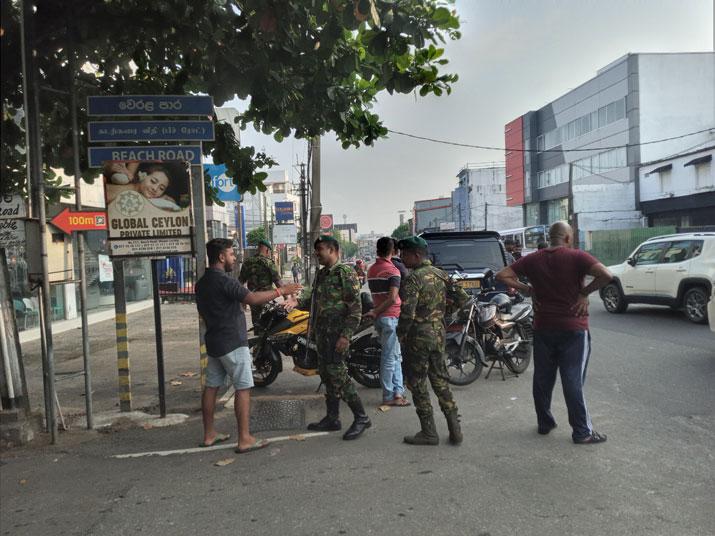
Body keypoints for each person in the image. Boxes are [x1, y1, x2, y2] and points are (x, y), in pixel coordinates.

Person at [495, 221, 613, 445]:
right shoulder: (577, 257)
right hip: (573, 328)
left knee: (542, 377)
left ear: (550, 238)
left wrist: (528, 289)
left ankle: (545, 422)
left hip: (543, 327)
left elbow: (502, 275)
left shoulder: (533, 259)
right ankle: (582, 431)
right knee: (572, 380)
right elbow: (606, 275)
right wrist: (584, 293)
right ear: (567, 238)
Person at [196, 238, 301, 452]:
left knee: (211, 387)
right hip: (232, 342)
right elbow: (252, 298)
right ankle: (244, 439)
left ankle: (209, 434)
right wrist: (282, 291)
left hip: (214, 341)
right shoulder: (225, 281)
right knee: (243, 387)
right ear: (221, 257)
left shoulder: (202, 283)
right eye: (231, 254)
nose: (234, 258)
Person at [289, 236, 371, 440]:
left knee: (339, 376)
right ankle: (332, 418)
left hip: (337, 335)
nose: (317, 253)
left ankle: (362, 417)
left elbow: (355, 309)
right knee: (326, 375)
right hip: (322, 335)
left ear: (333, 250)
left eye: (320, 249)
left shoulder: (345, 273)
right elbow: (312, 300)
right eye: (316, 249)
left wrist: (345, 336)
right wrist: (295, 302)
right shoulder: (322, 274)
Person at [397, 235, 467, 446]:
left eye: (404, 254)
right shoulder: (441, 274)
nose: (401, 257)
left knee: (417, 383)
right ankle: (455, 430)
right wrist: (443, 312)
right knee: (440, 379)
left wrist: (400, 334)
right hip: (438, 333)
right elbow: (463, 298)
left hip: (418, 336)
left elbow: (407, 312)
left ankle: (429, 432)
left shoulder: (413, 278)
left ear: (417, 255)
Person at [365, 237, 409, 407]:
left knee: (395, 356)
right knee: (389, 358)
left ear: (377, 250)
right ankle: (389, 395)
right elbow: (392, 298)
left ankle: (398, 393)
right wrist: (376, 311)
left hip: (381, 319)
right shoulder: (393, 271)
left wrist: (376, 311)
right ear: (393, 251)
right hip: (391, 317)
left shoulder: (371, 270)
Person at [239, 239, 283, 333]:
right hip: (266, 299)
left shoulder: (247, 262)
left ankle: (257, 338)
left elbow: (240, 282)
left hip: (252, 299)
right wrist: (287, 298)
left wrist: (242, 299)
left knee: (257, 325)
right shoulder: (268, 262)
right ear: (267, 250)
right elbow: (278, 282)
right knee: (267, 325)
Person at [104, 163, 179, 209]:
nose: (155, 188)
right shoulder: (127, 188)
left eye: (161, 188)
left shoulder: (156, 201)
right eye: (153, 181)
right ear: (143, 176)